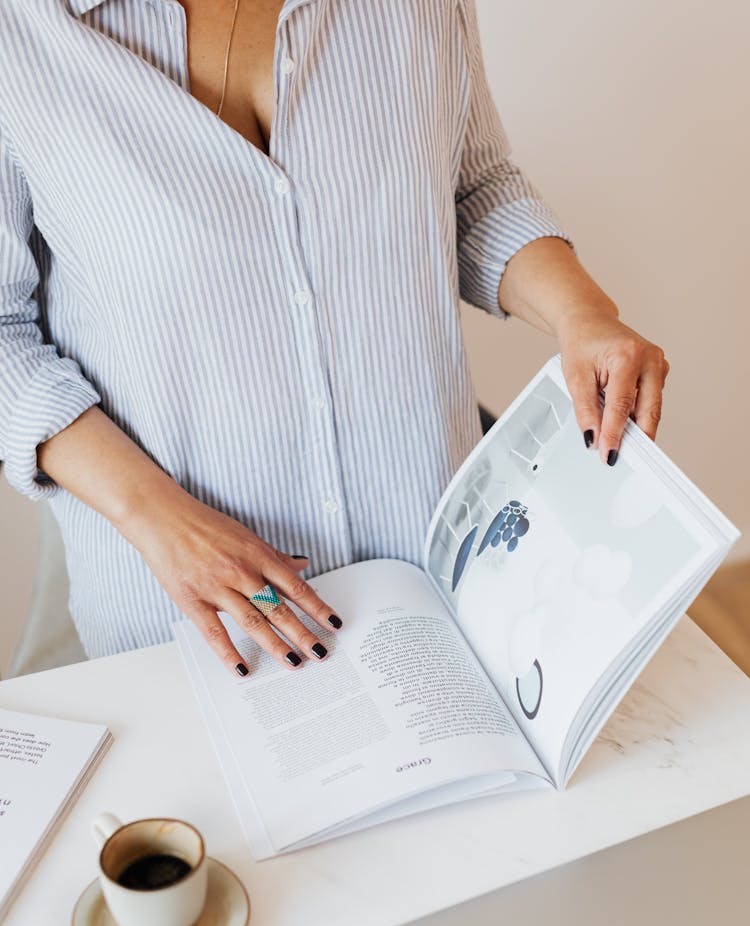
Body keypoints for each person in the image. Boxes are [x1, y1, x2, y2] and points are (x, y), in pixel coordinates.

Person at [0, 0, 668, 678]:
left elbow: (471, 187)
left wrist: (582, 311)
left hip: (442, 591)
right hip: (197, 630)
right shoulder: (17, 31)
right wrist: (156, 517)